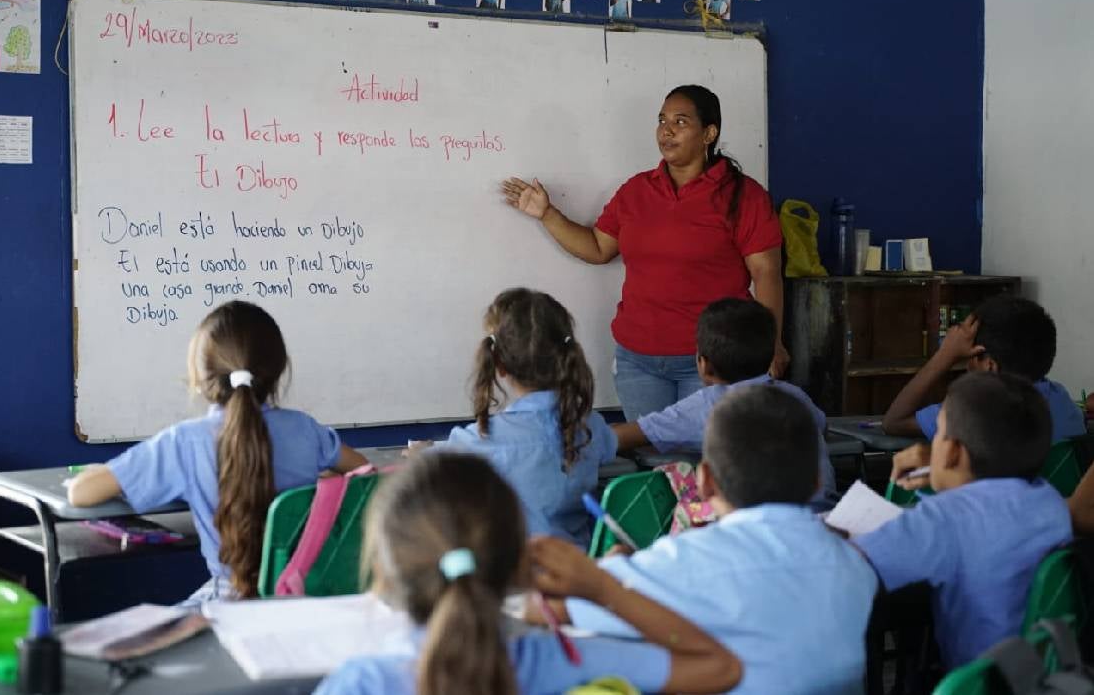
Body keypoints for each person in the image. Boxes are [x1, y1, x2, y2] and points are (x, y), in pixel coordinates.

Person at [534, 386, 878, 694]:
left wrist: (611, 572)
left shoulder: (683, 563)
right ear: (818, 481)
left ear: (706, 482)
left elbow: (552, 612)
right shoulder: (854, 565)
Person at [314, 452, 743, 695]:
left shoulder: (361, 685)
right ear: (519, 565)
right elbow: (721, 667)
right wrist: (603, 588)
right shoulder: (563, 663)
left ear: (381, 571)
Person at [501, 85, 785, 421]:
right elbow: (597, 247)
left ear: (709, 133)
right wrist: (547, 214)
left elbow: (766, 274)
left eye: (681, 122)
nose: (667, 130)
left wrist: (772, 345)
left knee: (705, 459)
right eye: (662, 120)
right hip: (638, 361)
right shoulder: (637, 191)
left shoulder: (744, 196)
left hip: (714, 360)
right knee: (653, 462)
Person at [67, 301, 368, 604]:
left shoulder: (184, 443)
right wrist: (322, 477)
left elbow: (81, 493)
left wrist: (101, 474)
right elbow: (363, 473)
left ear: (200, 378)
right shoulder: (305, 431)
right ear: (278, 370)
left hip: (228, 601)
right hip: (300, 599)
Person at [857, 372, 1073, 668]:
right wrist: (947, 476)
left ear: (953, 452)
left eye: (939, 433)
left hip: (981, 682)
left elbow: (856, 560)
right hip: (1042, 674)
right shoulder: (1049, 500)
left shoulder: (945, 518)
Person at [428, 289, 617, 547]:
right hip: (578, 572)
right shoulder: (590, 426)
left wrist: (419, 451)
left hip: (511, 579)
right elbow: (608, 448)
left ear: (499, 364)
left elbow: (427, 467)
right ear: (565, 357)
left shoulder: (478, 440)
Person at [613, 298, 838, 509]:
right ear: (770, 357)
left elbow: (622, 437)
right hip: (823, 514)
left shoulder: (708, 405)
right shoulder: (795, 395)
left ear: (703, 364)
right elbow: (822, 427)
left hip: (756, 529)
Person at [882, 295, 1086, 444]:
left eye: (970, 360)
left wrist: (945, 356)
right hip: (1055, 502)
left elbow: (894, 422)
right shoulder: (1064, 402)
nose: (968, 367)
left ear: (990, 366)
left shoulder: (972, 412)